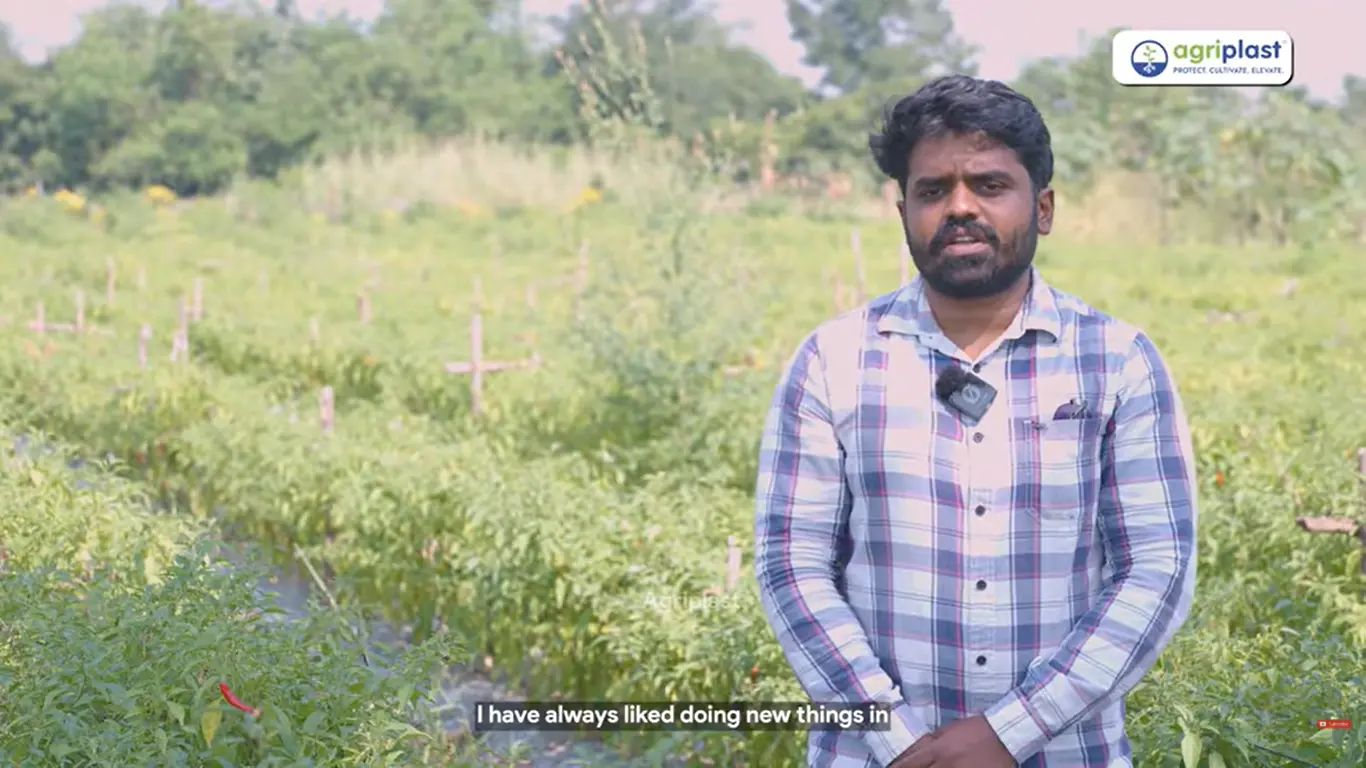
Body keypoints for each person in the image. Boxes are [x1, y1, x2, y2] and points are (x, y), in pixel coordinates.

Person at [752, 74, 1198, 768]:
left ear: (1043, 207)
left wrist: (1008, 732)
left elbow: (1155, 570)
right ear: (903, 211)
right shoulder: (833, 359)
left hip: (1062, 751)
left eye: (989, 185)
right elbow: (792, 564)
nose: (959, 207)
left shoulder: (1116, 363)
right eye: (933, 190)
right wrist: (896, 738)